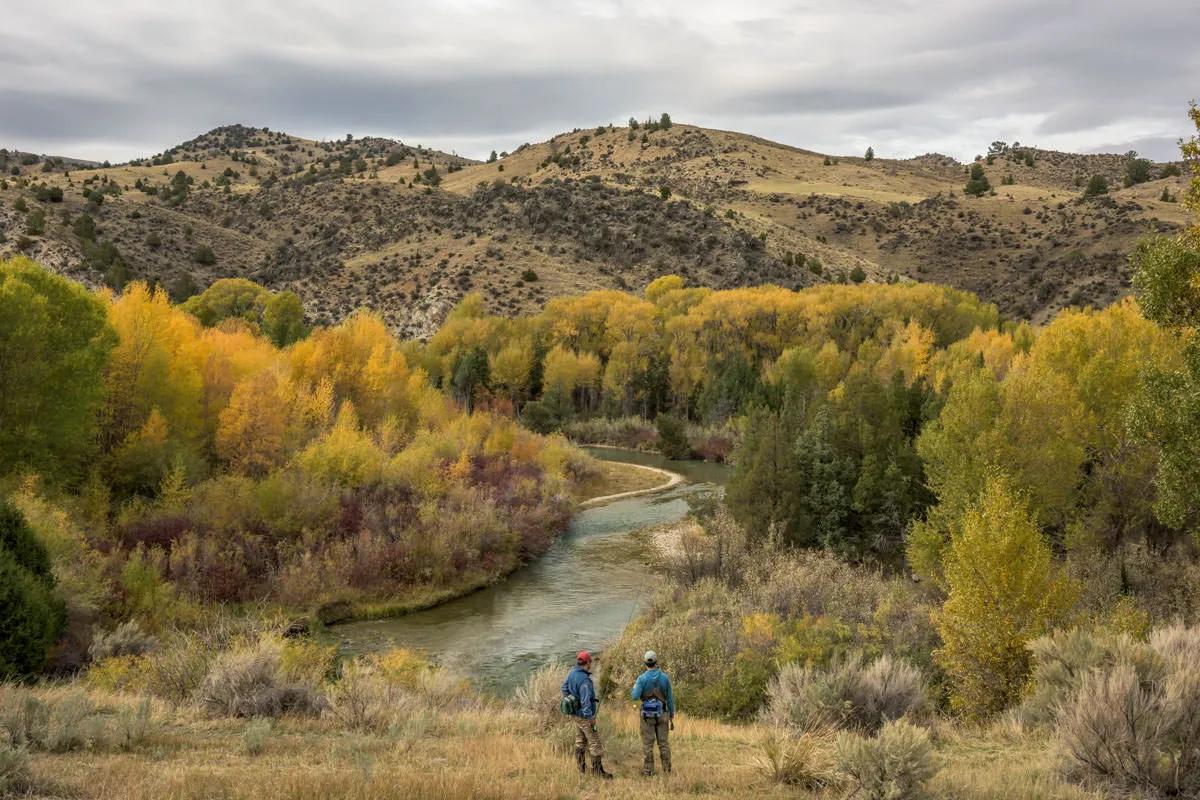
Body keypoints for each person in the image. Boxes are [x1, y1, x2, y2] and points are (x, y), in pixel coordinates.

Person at [561, 650, 613, 779]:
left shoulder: (572, 672)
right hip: (584, 716)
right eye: (591, 662)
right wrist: (590, 718)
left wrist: (572, 700)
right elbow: (585, 702)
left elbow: (564, 688)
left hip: (575, 714)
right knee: (595, 743)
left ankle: (581, 769)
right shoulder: (585, 681)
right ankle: (598, 772)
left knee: (580, 740)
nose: (591, 664)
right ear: (588, 663)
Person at [630, 649, 675, 776]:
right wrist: (671, 713)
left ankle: (648, 771)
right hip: (663, 714)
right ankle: (667, 770)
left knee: (648, 744)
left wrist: (634, 687)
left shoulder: (641, 679)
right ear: (656, 662)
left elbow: (634, 696)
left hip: (647, 716)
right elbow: (670, 698)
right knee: (663, 743)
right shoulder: (664, 678)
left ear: (645, 663)